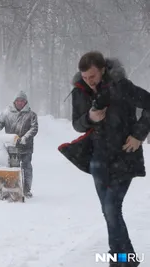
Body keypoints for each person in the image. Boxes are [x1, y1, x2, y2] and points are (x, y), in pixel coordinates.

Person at [58, 51, 150, 267]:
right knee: (109, 210)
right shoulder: (80, 91)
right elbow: (77, 124)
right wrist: (90, 117)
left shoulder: (121, 86)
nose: (88, 82)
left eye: (92, 76)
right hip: (98, 158)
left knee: (111, 207)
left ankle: (126, 259)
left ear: (102, 70)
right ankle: (119, 259)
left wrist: (139, 134)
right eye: (85, 77)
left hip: (125, 155)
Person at [0, 91, 38, 198]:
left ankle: (26, 190)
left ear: (25, 102)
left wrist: (24, 138)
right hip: (11, 146)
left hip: (26, 147)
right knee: (12, 168)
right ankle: (12, 188)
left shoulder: (31, 115)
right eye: (18, 100)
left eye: (22, 101)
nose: (20, 103)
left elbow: (34, 128)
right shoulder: (7, 113)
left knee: (26, 167)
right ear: (14, 101)